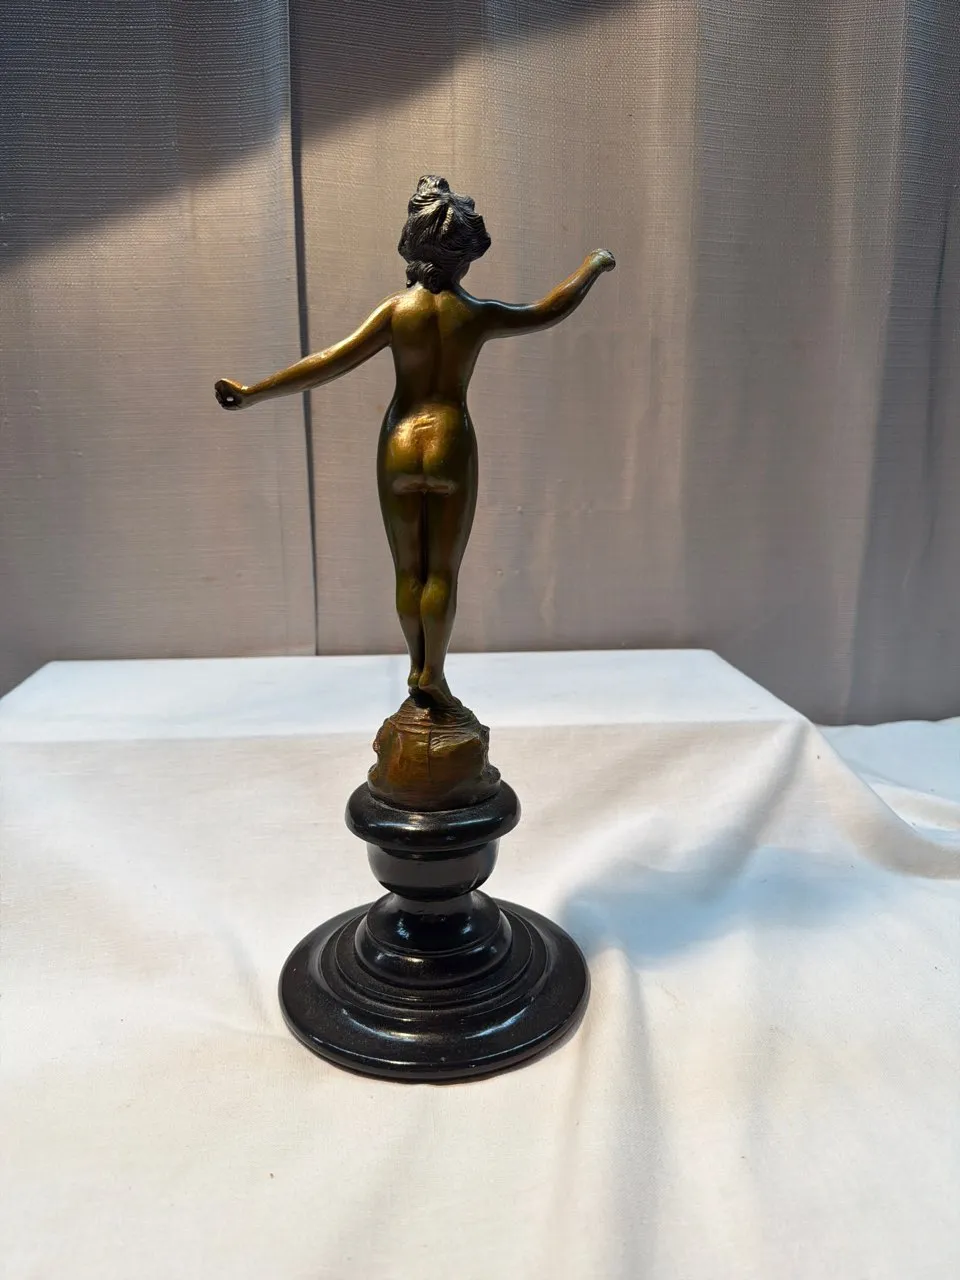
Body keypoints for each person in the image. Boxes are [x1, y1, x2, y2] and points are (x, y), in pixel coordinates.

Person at [216, 175, 615, 707]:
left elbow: (326, 363)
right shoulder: (477, 315)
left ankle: (415, 668)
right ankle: (433, 673)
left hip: (399, 445)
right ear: (465, 257)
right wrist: (592, 266)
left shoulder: (395, 313)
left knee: (407, 571)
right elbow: (547, 310)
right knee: (442, 572)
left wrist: (253, 392)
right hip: (451, 444)